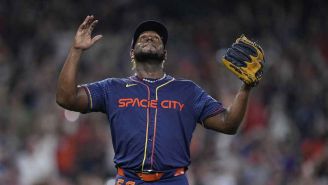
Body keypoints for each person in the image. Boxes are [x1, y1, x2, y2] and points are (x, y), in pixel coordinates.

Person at [56, 15, 254, 185]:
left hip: (173, 180)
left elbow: (229, 124)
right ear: (132, 53)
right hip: (128, 179)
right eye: (143, 37)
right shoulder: (112, 88)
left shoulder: (188, 91)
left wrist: (245, 88)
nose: (150, 38)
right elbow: (66, 99)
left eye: (156, 38)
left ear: (164, 54)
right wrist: (76, 50)